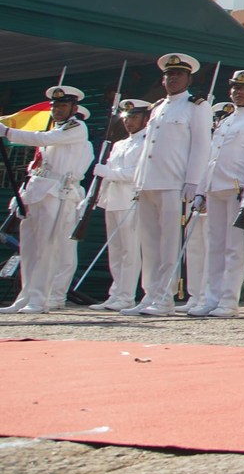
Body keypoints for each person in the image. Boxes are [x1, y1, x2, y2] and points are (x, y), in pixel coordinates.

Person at [128, 54, 211, 318]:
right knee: (149, 243)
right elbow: (148, 149)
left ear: (188, 79)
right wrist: (138, 182)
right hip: (149, 182)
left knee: (168, 244)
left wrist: (193, 182)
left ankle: (164, 298)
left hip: (173, 182)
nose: (172, 78)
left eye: (178, 74)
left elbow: (201, 145)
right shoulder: (157, 107)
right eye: (168, 74)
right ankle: (149, 294)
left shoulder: (196, 106)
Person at [0, 83, 90, 314]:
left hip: (57, 194)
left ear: (73, 107)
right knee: (29, 248)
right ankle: (25, 296)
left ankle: (39, 299)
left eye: (62, 105)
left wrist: (8, 132)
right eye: (55, 105)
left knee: (47, 249)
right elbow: (38, 166)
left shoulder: (75, 127)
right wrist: (22, 195)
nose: (57, 109)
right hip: (38, 190)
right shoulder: (56, 129)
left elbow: (43, 140)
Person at [189, 70, 244, 318]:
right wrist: (201, 190)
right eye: (235, 88)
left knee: (234, 248)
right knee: (215, 247)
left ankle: (228, 301)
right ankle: (211, 298)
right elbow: (211, 158)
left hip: (237, 189)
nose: (239, 92)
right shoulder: (227, 120)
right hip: (215, 188)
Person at [90, 100, 153, 310]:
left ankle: (126, 296)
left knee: (130, 251)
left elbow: (135, 174)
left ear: (145, 118)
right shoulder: (119, 144)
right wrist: (95, 197)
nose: (129, 122)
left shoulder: (146, 142)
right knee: (115, 251)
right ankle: (115, 294)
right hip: (113, 200)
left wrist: (107, 172)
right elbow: (107, 176)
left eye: (134, 117)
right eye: (127, 118)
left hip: (131, 201)